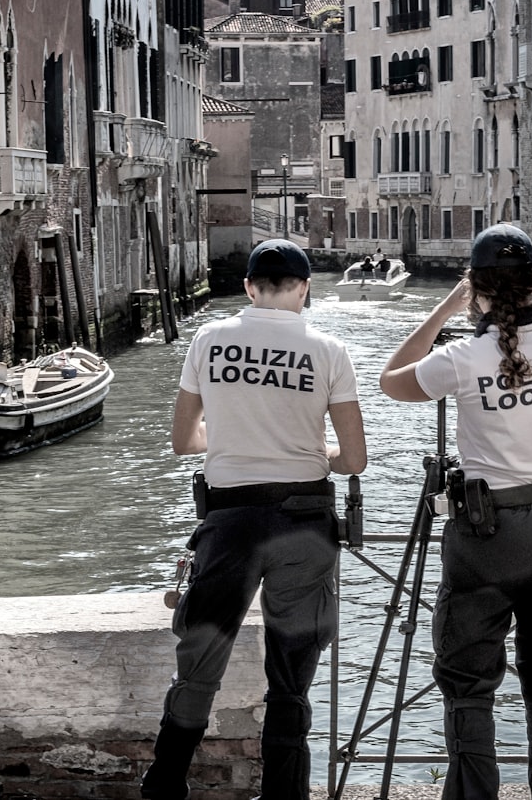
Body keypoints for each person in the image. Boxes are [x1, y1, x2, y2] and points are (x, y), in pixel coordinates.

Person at [378, 223, 532, 800]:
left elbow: (389, 381)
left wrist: (444, 307)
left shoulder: (462, 356)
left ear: (476, 288)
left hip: (490, 535)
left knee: (469, 683)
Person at [141, 239, 368, 800]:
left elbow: (182, 441)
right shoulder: (329, 349)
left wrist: (235, 442)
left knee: (199, 665)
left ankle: (165, 786)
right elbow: (354, 459)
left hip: (231, 522)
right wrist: (312, 455)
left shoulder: (210, 340)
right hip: (304, 522)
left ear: (248, 287)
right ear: (304, 287)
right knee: (290, 677)